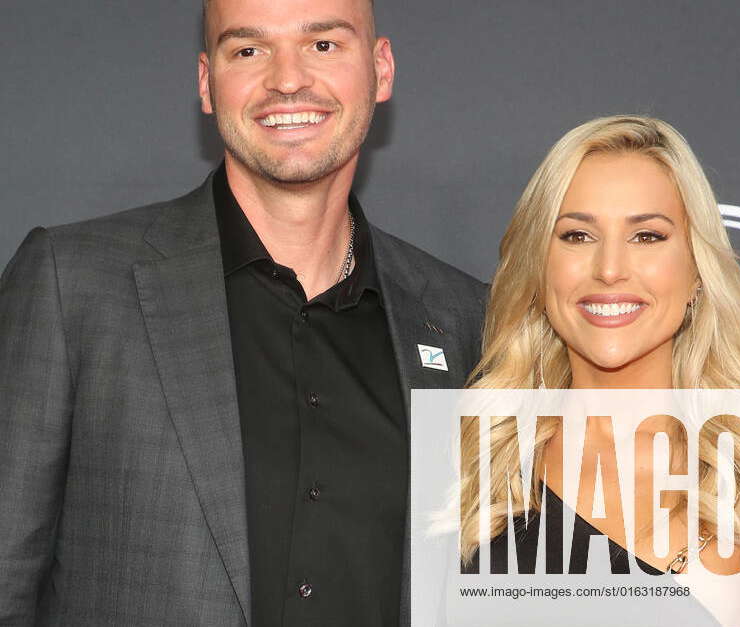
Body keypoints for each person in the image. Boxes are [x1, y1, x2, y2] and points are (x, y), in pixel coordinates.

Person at [0, 0, 487, 625]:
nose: (287, 79)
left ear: (381, 69)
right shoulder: (74, 288)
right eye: (248, 50)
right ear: (207, 83)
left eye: (323, 45)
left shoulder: (463, 320)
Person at [458, 115, 740, 625]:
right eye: (577, 236)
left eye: (647, 237)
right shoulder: (470, 470)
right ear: (538, 268)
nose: (609, 269)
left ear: (696, 272)